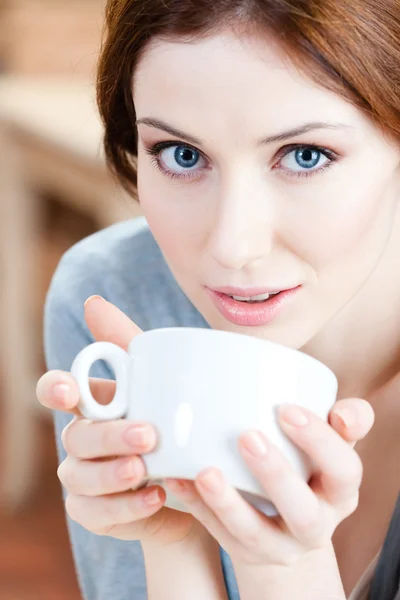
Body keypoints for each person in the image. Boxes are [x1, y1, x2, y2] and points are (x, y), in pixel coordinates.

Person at [36, 0, 400, 598]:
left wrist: (283, 569)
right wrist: (174, 536)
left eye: (305, 156)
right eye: (182, 155)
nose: (233, 247)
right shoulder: (122, 298)